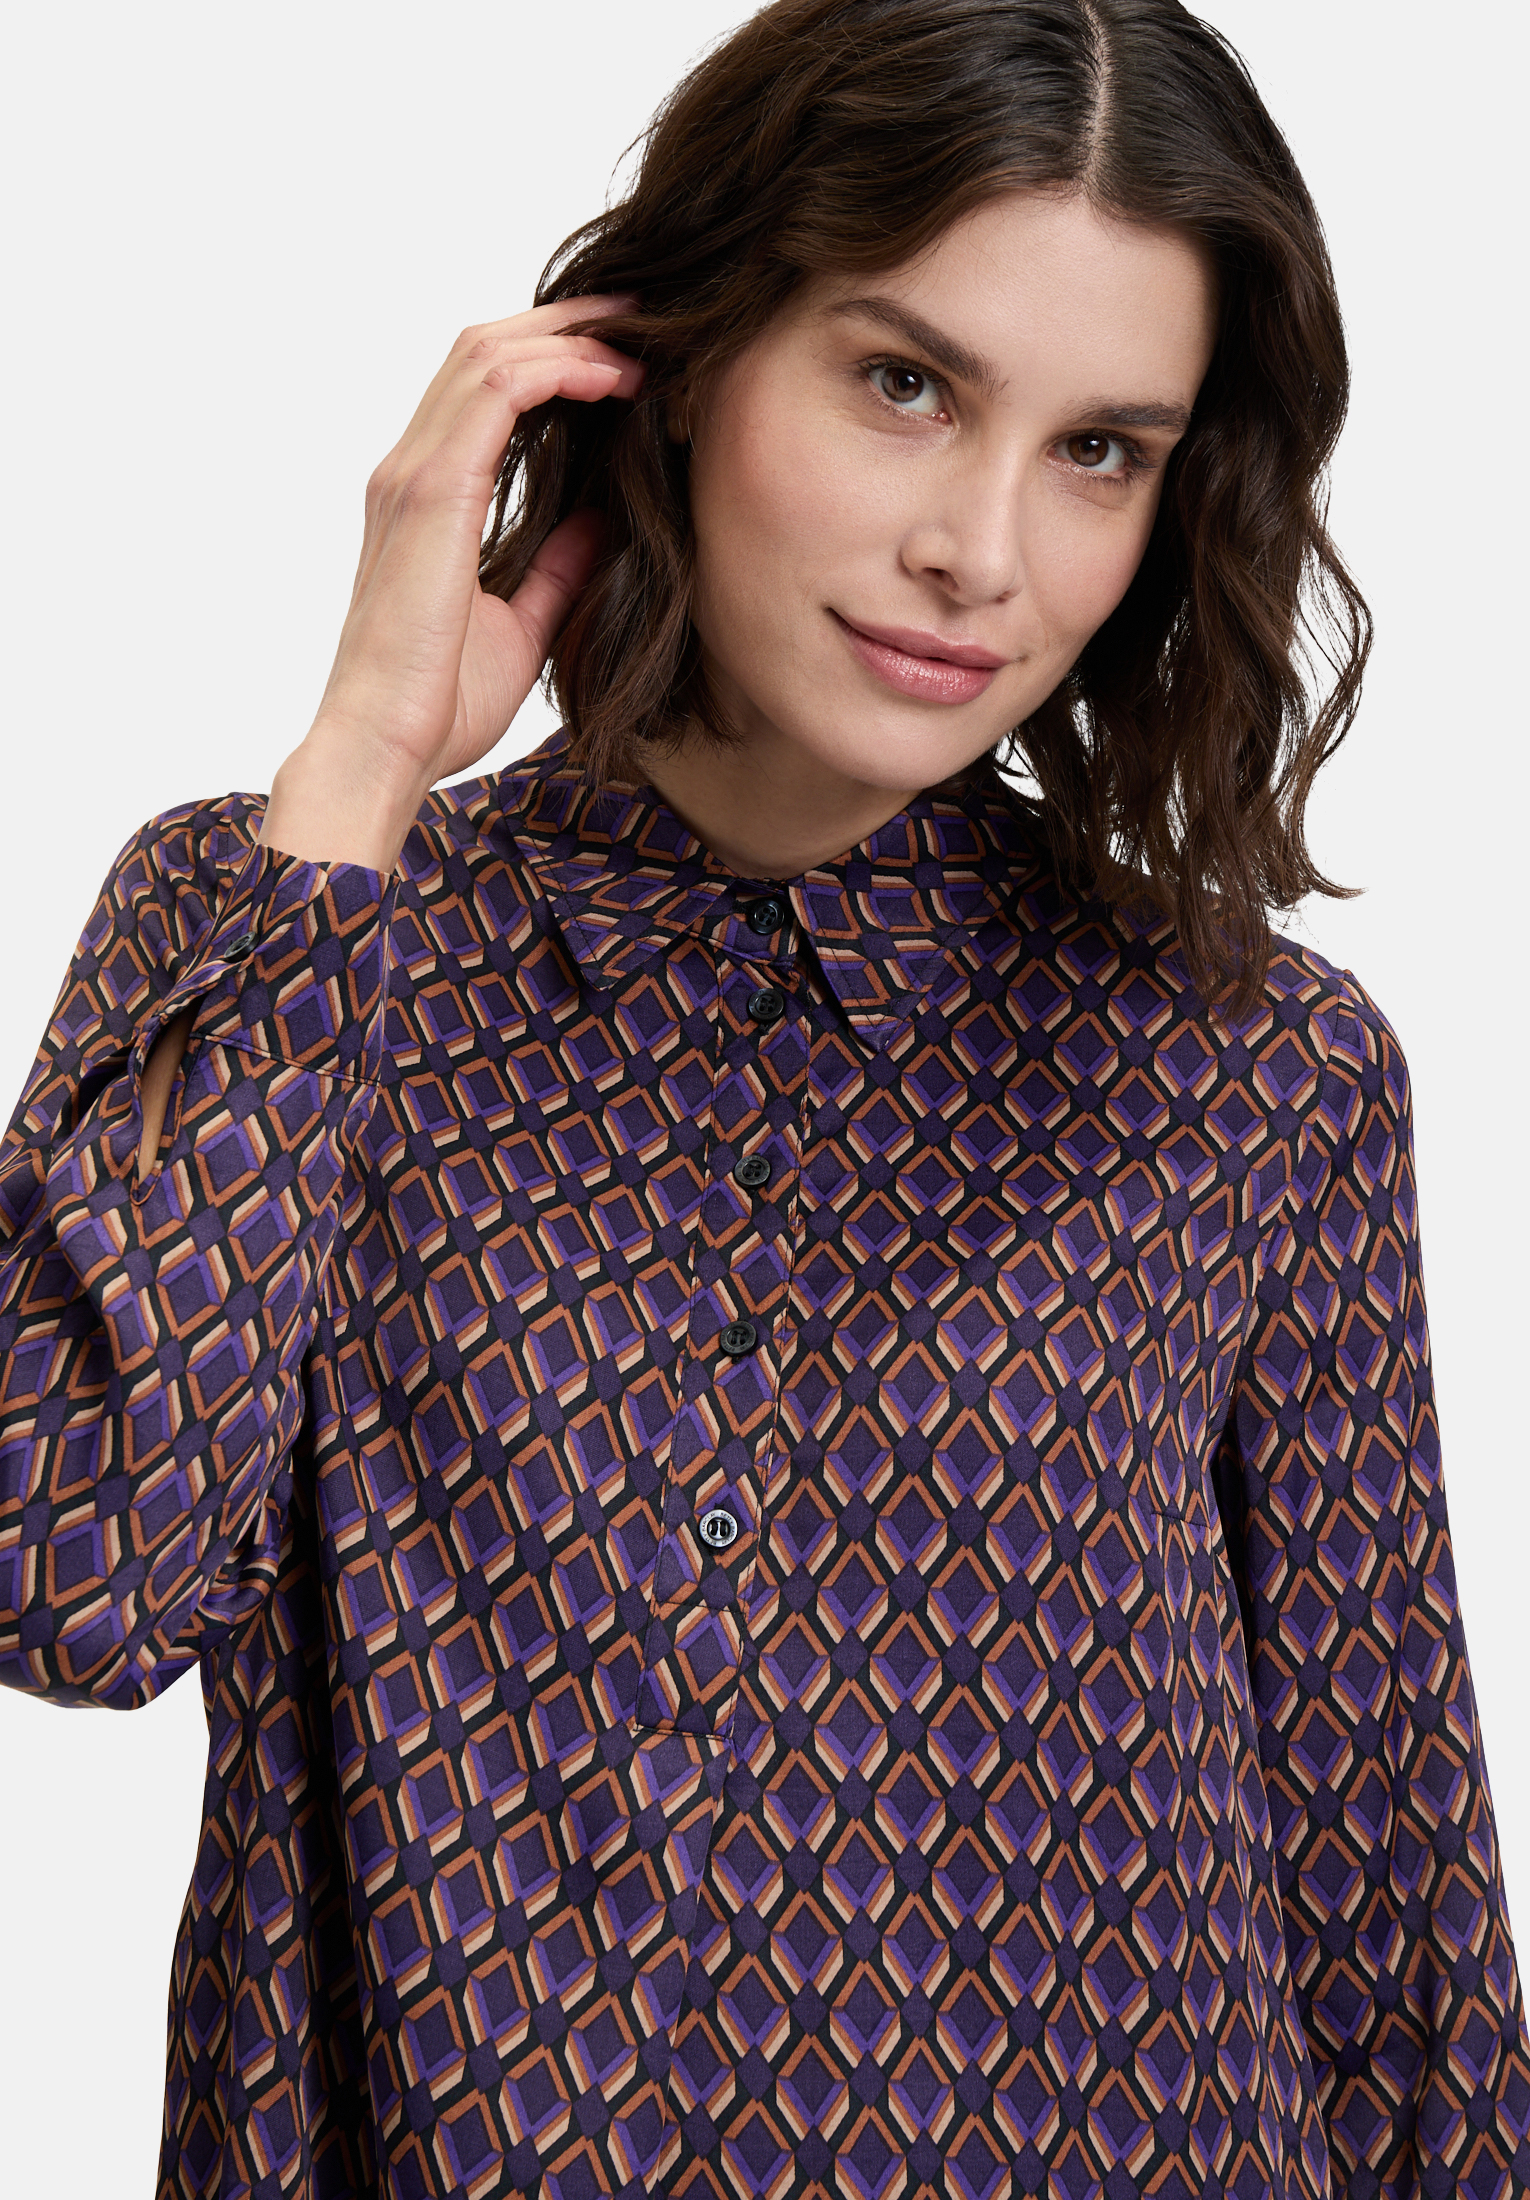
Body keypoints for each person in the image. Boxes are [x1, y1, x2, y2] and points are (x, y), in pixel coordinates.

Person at [2, 0, 1525, 2193]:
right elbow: (66, 1577)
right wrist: (360, 762)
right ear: (682, 359)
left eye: (1100, 449)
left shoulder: (1253, 1070)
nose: (983, 551)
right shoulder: (297, 941)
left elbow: (1393, 1925)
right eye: (906, 386)